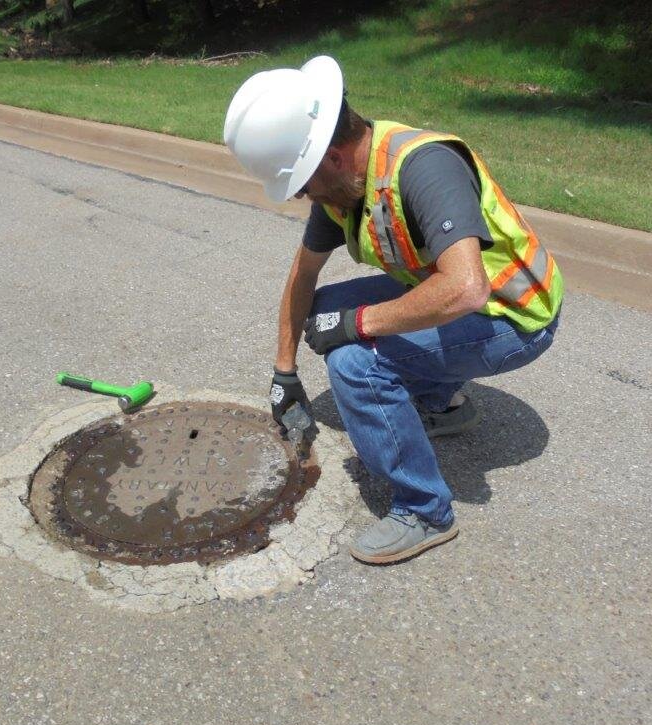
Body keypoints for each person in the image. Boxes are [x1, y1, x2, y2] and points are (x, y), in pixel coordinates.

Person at [223, 55, 563, 565]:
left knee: (355, 362)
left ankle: (425, 510)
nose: (301, 198)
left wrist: (359, 325)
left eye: (300, 185)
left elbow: (467, 289)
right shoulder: (341, 189)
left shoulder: (424, 168)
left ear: (331, 158)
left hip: (514, 317)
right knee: (324, 312)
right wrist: (284, 371)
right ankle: (440, 402)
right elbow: (303, 278)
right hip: (457, 298)